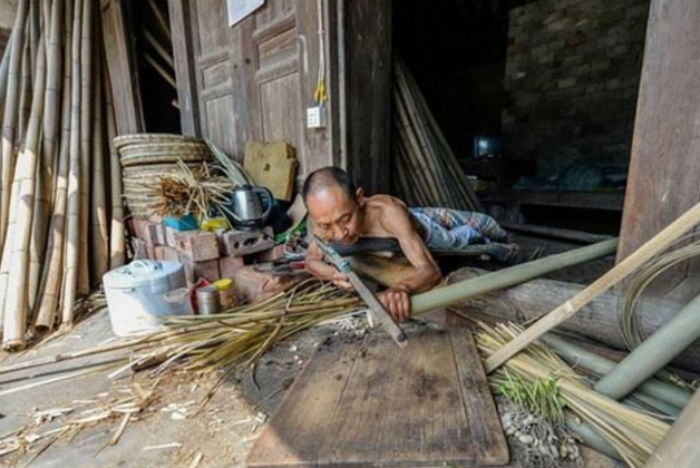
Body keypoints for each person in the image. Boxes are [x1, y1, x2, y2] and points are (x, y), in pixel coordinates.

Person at [302, 166, 523, 322]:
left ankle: (495, 240)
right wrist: (333, 275)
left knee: (474, 232)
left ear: (360, 198)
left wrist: (401, 287)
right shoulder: (323, 223)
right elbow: (311, 259)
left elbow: (430, 270)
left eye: (345, 219)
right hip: (404, 228)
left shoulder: (386, 213)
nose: (339, 234)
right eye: (327, 225)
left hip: (428, 231)